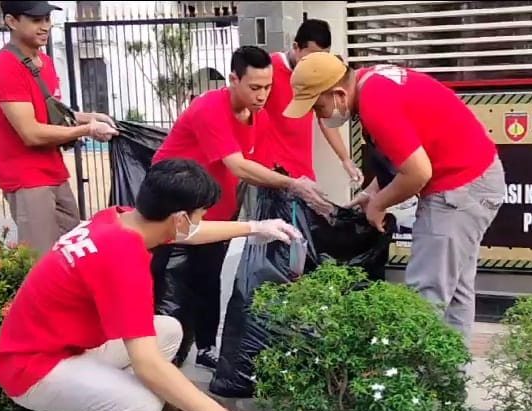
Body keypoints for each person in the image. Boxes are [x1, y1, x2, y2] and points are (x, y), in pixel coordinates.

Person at [0, 158, 302, 411]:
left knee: (167, 330)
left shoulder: (118, 219)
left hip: (57, 345)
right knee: (141, 406)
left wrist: (255, 227)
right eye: (199, 214)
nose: (201, 220)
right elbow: (148, 366)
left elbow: (189, 233)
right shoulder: (124, 260)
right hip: (31, 370)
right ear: (180, 217)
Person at [283, 53, 506, 347]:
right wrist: (372, 193)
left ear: (338, 93)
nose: (319, 115)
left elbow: (417, 172)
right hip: (475, 181)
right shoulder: (372, 81)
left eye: (318, 106)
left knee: (425, 294)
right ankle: (450, 383)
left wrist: (379, 204)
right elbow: (406, 154)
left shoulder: (376, 103)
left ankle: (416, 383)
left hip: (459, 189)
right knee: (455, 292)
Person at [150, 45, 331, 369]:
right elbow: (238, 166)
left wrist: (298, 188)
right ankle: (159, 355)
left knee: (208, 280)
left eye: (268, 87)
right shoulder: (210, 108)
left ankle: (205, 348)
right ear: (233, 79)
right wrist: (292, 183)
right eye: (255, 87)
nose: (262, 96)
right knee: (167, 282)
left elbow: (262, 164)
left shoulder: (256, 116)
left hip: (214, 210)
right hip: (171, 209)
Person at [0, 1, 119, 258]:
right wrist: (87, 130)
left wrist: (89, 117)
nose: (45, 26)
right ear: (12, 22)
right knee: (42, 260)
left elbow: (51, 114)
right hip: (26, 179)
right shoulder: (6, 67)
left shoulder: (43, 61)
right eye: (36, 20)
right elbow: (32, 133)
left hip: (53, 171)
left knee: (74, 249)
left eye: (47, 19)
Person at [265, 18, 362, 184]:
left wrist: (345, 159)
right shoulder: (268, 69)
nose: (317, 62)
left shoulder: (321, 73)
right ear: (296, 47)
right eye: (312, 55)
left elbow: (325, 118)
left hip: (304, 172)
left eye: (323, 56)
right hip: (275, 173)